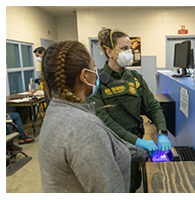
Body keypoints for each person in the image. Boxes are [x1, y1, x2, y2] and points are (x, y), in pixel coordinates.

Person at [39, 40, 147, 193]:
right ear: (84, 76)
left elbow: (105, 148)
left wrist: (141, 153)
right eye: (93, 66)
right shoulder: (84, 126)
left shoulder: (57, 111)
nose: (96, 72)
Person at [86, 28, 171, 192]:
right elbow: (104, 120)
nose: (130, 53)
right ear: (110, 52)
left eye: (130, 49)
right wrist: (137, 142)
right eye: (124, 49)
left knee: (133, 183)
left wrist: (162, 133)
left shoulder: (135, 78)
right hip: (111, 148)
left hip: (136, 148)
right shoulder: (96, 81)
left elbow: (153, 106)